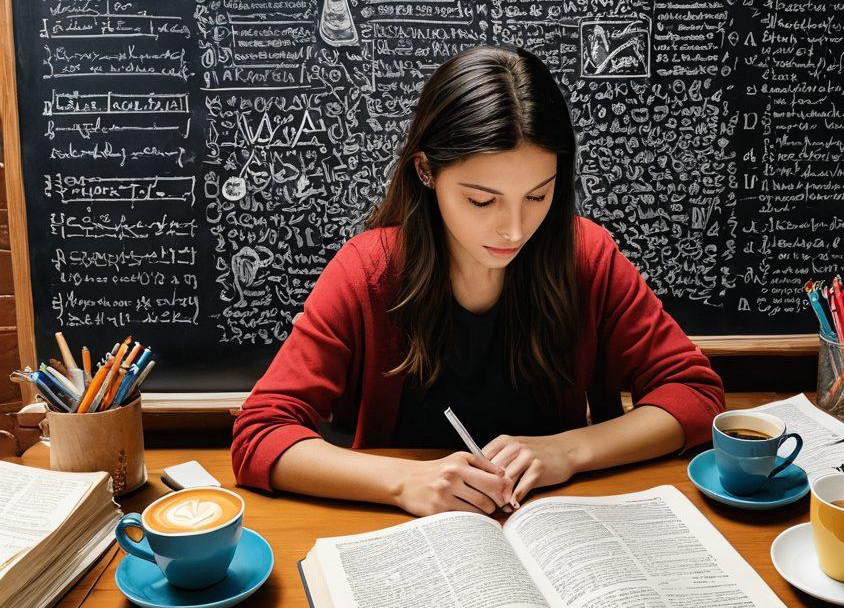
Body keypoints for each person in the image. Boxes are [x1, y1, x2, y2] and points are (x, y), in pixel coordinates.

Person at [231, 45, 725, 516]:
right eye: (482, 200)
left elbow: (694, 394)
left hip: (555, 527)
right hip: (410, 534)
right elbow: (260, 433)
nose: (515, 230)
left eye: (537, 196)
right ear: (426, 171)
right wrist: (403, 481)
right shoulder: (368, 271)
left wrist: (569, 451)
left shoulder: (585, 257)